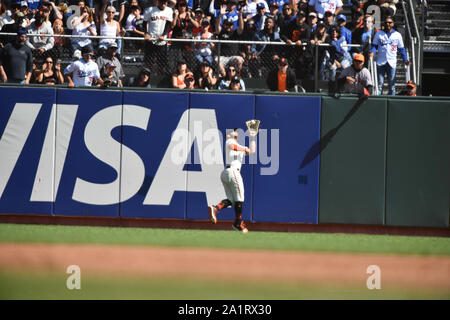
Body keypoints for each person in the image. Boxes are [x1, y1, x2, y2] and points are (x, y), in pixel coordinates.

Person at [207, 127, 258, 233]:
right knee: (240, 199)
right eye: (232, 131)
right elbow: (232, 146)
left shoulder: (240, 146)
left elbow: (252, 151)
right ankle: (238, 223)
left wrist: (253, 137)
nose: (233, 131)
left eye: (235, 131)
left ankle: (215, 208)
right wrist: (244, 149)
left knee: (231, 201)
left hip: (227, 173)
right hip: (233, 171)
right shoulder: (229, 141)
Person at [370, 16, 410, 95]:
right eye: (386, 22)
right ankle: (379, 101)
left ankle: (392, 100)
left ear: (393, 23)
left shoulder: (397, 35)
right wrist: (372, 52)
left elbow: (401, 49)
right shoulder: (379, 33)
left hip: (391, 62)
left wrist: (405, 60)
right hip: (381, 62)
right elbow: (374, 46)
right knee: (379, 84)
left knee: (392, 85)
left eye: (390, 22)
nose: (388, 24)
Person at [143, 0, 173, 75]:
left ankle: (159, 78)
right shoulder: (150, 10)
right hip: (151, 39)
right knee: (149, 61)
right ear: (158, 1)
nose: (164, 3)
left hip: (162, 41)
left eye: (165, 2)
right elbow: (144, 22)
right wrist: (146, 33)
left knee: (161, 62)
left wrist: (163, 34)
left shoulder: (169, 10)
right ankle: (147, 77)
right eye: (162, 1)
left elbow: (168, 24)